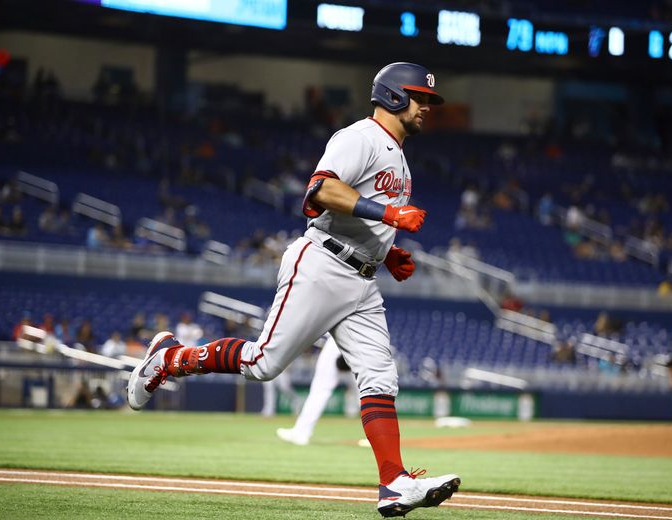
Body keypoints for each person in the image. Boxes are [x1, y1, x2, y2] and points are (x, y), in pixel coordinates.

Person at [127, 62, 460, 517]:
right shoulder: (358, 137)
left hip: (362, 280)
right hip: (322, 264)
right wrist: (388, 218)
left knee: (380, 376)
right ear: (395, 97)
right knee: (264, 364)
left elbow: (362, 212)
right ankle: (168, 359)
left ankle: (394, 483)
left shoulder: (399, 155)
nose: (427, 107)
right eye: (421, 98)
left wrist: (387, 251)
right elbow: (320, 191)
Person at [276, 334, 358, 445]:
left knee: (321, 388)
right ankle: (382, 433)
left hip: (342, 335)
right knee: (368, 387)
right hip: (369, 338)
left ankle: (301, 432)